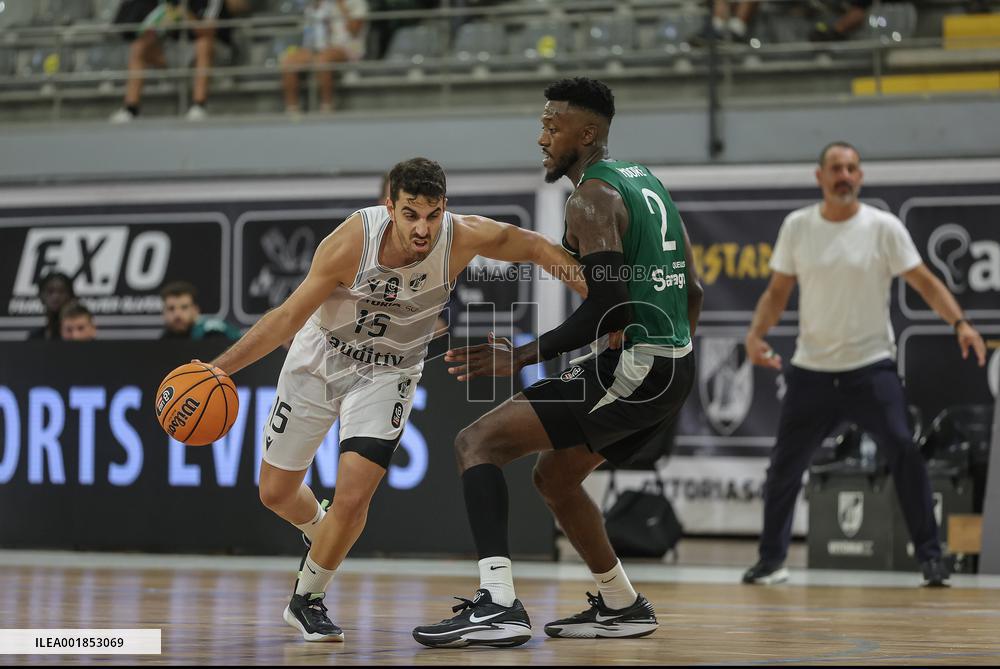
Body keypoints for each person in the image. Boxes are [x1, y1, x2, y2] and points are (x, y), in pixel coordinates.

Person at [201, 157, 585, 642]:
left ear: (444, 208)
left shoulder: (461, 235)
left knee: (356, 494)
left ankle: (308, 598)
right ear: (390, 206)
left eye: (432, 214)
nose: (422, 228)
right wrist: (218, 369)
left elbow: (533, 246)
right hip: (323, 357)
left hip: (391, 370)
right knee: (275, 492)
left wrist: (597, 294)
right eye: (410, 214)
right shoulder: (350, 242)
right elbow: (286, 316)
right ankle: (320, 530)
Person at [412, 77, 703, 648]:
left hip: (640, 369)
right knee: (555, 477)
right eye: (542, 124)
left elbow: (609, 304)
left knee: (477, 444)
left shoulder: (591, 197)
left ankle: (497, 605)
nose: (541, 136)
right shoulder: (644, 181)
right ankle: (622, 604)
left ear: (587, 133)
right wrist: (664, 353)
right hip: (668, 365)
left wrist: (520, 356)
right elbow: (691, 289)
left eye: (553, 126)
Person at [741, 141, 987, 588]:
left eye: (852, 168)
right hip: (811, 371)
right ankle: (771, 559)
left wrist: (961, 324)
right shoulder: (798, 226)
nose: (845, 176)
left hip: (871, 367)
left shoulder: (883, 227)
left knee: (905, 452)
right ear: (820, 177)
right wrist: (757, 334)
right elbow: (776, 292)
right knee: (784, 466)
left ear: (861, 176)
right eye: (836, 168)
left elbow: (926, 283)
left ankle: (931, 559)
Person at [109, 0, 249, 123]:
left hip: (214, 51)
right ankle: (131, 108)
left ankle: (199, 105)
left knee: (203, 45)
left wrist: (184, 15)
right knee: (139, 47)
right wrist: (159, 22)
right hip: (178, 49)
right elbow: (161, 28)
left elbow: (207, 30)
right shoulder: (170, 2)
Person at [282, 0, 368, 116]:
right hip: (321, 46)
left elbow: (354, 31)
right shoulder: (325, 3)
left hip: (350, 49)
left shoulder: (358, 2)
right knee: (289, 61)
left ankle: (327, 107)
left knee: (322, 60)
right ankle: (292, 110)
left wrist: (341, 5)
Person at [160, 281, 241, 340]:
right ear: (164, 312)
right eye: (171, 308)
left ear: (196, 310)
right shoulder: (165, 338)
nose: (177, 314)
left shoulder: (212, 331)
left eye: (184, 307)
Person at [28, 272, 76, 340]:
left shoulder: (80, 337)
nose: (55, 297)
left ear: (71, 297)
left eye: (61, 291)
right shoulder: (34, 339)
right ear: (41, 297)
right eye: (50, 291)